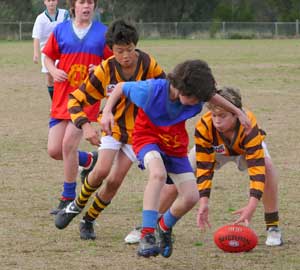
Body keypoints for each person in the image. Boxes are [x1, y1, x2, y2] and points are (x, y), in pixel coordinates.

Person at [99, 59, 251, 258]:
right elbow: (121, 87)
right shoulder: (150, 91)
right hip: (148, 138)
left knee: (191, 196)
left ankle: (164, 226)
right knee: (158, 174)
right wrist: (108, 112)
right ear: (181, 89)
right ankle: (147, 234)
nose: (199, 103)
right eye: (196, 99)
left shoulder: (196, 93)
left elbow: (212, 96)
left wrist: (238, 112)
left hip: (175, 144)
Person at [125, 86, 283, 247]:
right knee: (176, 177)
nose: (217, 120)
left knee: (267, 168)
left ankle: (273, 226)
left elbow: (257, 169)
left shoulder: (248, 123)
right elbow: (205, 168)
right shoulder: (205, 126)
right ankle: (149, 225)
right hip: (213, 150)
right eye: (214, 115)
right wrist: (204, 202)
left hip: (243, 150)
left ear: (236, 114)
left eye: (222, 116)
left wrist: (251, 206)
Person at [54, 19, 166, 240]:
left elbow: (166, 90)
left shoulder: (147, 64)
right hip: (113, 129)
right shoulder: (105, 69)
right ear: (111, 50)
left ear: (136, 46)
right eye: (119, 51)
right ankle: (76, 205)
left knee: (114, 181)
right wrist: (85, 126)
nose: (125, 56)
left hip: (138, 134)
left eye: (130, 50)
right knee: (101, 171)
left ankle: (88, 220)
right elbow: (75, 100)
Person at [42, 0, 112, 214]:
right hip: (62, 98)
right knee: (54, 150)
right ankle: (89, 159)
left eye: (90, 2)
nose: (86, 6)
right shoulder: (61, 30)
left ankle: (68, 198)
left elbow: (113, 63)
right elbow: (47, 57)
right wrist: (53, 72)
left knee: (67, 146)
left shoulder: (103, 33)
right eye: (82, 1)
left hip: (86, 99)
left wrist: (99, 68)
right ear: (74, 5)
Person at [32, 0, 69, 100]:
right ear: (45, 2)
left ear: (56, 1)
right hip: (47, 50)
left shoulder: (65, 14)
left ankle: (64, 100)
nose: (51, 3)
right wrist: (36, 53)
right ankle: (54, 102)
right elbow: (36, 36)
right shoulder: (40, 18)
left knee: (63, 76)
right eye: (48, 0)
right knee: (50, 77)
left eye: (53, 0)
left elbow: (69, 28)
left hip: (62, 50)